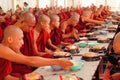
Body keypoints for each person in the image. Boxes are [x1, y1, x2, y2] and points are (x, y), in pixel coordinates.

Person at [0, 25, 73, 80]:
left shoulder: (12, 49)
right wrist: (58, 62)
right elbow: (30, 61)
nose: (22, 43)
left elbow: (29, 60)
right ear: (10, 39)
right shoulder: (2, 49)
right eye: (20, 39)